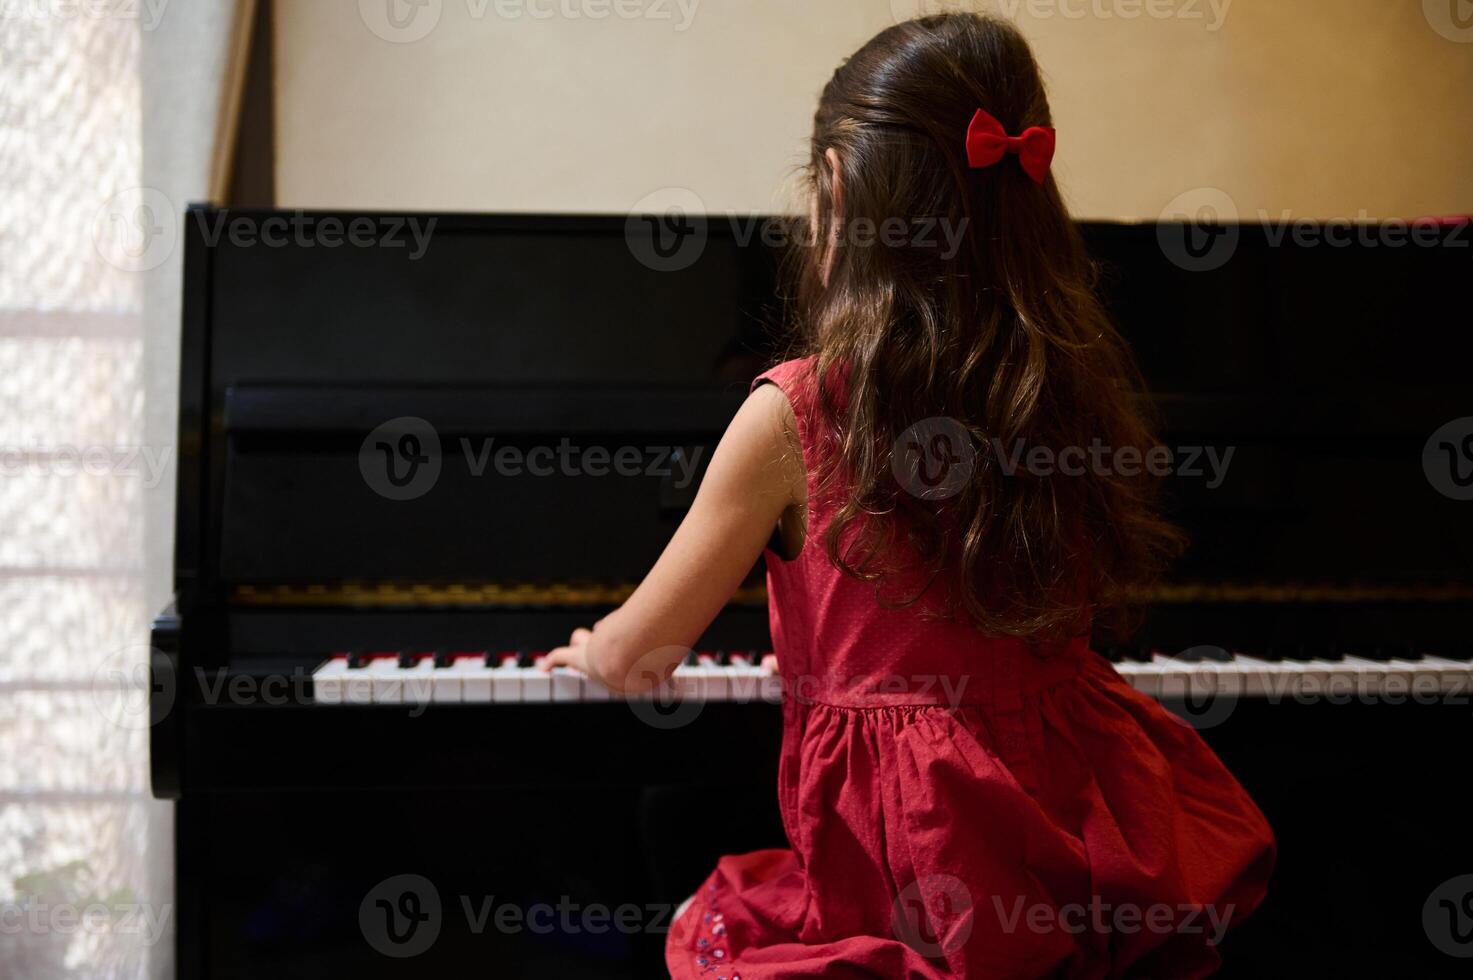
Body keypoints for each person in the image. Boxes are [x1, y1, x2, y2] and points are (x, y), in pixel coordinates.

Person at [543, 13, 1274, 977]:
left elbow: (645, 654)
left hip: (912, 864)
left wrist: (598, 649)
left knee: (694, 910)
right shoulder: (1068, 385)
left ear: (838, 192)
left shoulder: (796, 413)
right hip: (1074, 850)